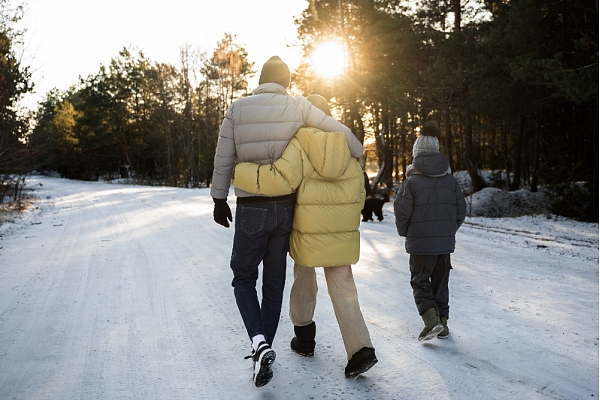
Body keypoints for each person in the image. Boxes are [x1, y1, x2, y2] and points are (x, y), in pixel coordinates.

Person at [210, 57, 363, 387]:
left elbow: (224, 156)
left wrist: (218, 198)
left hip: (251, 207)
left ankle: (258, 343)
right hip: (285, 209)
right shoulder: (297, 106)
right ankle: (263, 349)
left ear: (261, 79)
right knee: (275, 281)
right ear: (286, 83)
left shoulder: (238, 108)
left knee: (243, 277)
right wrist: (357, 149)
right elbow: (337, 130)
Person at [233, 94, 377, 377]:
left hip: (306, 231)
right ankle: (361, 350)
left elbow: (280, 179)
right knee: (344, 288)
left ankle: (305, 338)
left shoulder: (300, 143)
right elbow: (360, 194)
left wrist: (241, 173)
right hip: (340, 233)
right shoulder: (347, 147)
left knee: (304, 280)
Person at [393, 121, 467, 342]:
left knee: (419, 280)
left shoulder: (412, 181)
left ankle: (431, 321)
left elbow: (401, 212)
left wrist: (407, 232)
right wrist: (447, 231)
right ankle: (443, 324)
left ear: (416, 153)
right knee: (440, 282)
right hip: (444, 244)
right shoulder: (450, 180)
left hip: (420, 244)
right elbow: (460, 211)